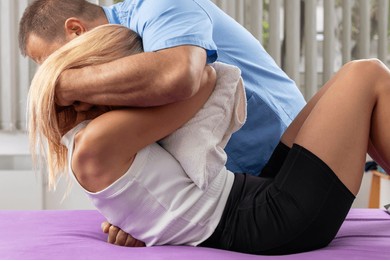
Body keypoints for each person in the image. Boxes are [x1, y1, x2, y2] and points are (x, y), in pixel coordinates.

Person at [29, 24, 390, 255]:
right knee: (365, 73)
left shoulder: (87, 140)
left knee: (340, 94)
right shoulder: (97, 142)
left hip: (257, 199)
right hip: (269, 223)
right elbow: (199, 80)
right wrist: (164, 70)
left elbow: (151, 196)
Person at [19, 0, 306, 178]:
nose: (52, 74)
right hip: (236, 183)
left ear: (76, 31)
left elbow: (179, 76)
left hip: (290, 152)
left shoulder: (160, 5)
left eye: (50, 62)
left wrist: (63, 86)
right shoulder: (111, 79)